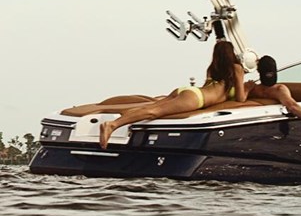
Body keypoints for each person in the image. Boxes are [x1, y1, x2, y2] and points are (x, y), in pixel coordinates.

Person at [99, 41, 248, 148]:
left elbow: (207, 88)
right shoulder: (236, 68)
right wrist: (248, 87)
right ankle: (112, 125)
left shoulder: (212, 68)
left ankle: (120, 119)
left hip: (189, 91)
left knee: (151, 108)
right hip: (196, 98)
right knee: (153, 112)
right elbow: (241, 98)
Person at [247, 55, 301, 144]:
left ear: (258, 71)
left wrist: (247, 89)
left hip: (255, 133)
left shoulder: (252, 90)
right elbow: (292, 106)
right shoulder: (279, 90)